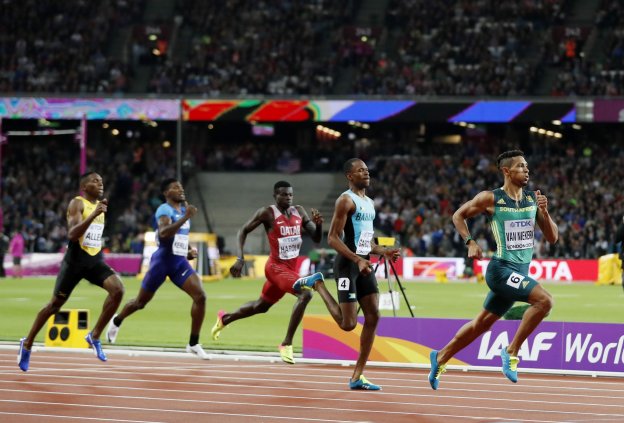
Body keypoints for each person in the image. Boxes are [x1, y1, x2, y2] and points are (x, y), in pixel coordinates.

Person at [428, 149, 558, 389]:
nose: (526, 170)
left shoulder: (532, 199)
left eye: (527, 166)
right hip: (500, 271)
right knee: (545, 302)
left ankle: (441, 356)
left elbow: (552, 238)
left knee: (482, 324)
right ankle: (511, 351)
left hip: (519, 273)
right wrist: (471, 241)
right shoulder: (491, 198)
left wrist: (545, 212)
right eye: (520, 166)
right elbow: (458, 215)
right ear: (506, 171)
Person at [295, 158, 400, 390]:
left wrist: (383, 251)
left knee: (373, 317)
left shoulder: (369, 203)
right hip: (347, 265)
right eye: (360, 170)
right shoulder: (345, 200)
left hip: (363, 264)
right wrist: (357, 260)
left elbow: (366, 241)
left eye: (367, 170)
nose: (366, 173)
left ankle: (357, 376)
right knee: (348, 324)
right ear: (349, 176)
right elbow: (333, 238)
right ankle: (318, 284)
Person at [18, 172, 125, 371]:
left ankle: (94, 336)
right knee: (54, 305)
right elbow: (72, 234)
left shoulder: (101, 206)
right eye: (95, 181)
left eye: (102, 180)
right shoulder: (77, 203)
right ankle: (27, 344)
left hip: (93, 261)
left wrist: (98, 213)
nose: (100, 183)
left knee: (118, 290)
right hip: (74, 263)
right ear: (84, 187)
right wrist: (94, 215)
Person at [211, 180, 324, 364]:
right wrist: (240, 258)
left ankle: (225, 319)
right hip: (275, 268)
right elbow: (243, 231)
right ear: (275, 195)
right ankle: (286, 344)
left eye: (290, 194)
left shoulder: (299, 211)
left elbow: (317, 238)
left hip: (289, 270)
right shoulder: (267, 213)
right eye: (283, 194)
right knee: (305, 294)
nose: (287, 197)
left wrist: (318, 225)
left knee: (260, 307)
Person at [106, 178, 210, 359]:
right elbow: (163, 233)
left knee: (200, 296)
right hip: (161, 263)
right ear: (166, 193)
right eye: (175, 187)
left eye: (181, 186)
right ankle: (117, 320)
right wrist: (186, 217)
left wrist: (187, 251)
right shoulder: (164, 209)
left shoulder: (184, 210)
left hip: (179, 263)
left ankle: (193, 343)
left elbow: (179, 237)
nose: (180, 189)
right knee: (140, 303)